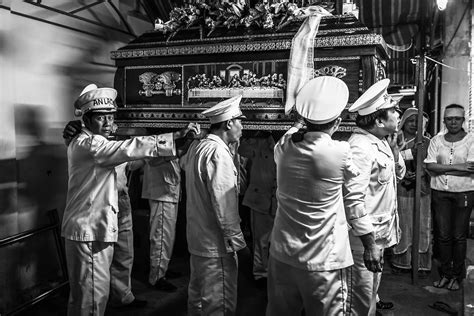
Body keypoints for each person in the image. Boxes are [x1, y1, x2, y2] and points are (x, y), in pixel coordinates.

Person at [62, 83, 199, 316]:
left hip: (101, 220)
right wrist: (173, 137)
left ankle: (123, 295)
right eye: (101, 118)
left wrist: (170, 148)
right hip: (90, 229)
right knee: (92, 299)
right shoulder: (91, 144)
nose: (108, 123)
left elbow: (129, 156)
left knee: (92, 293)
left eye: (111, 117)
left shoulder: (96, 143)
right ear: (86, 120)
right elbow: (131, 147)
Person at [267, 76, 379, 316]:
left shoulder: (285, 146)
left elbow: (291, 134)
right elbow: (354, 178)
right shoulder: (340, 151)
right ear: (337, 122)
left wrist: (299, 126)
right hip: (322, 258)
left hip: (282, 252)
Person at [179, 95, 247, 315]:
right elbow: (224, 204)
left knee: (197, 299)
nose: (242, 127)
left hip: (198, 239)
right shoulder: (218, 153)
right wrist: (237, 243)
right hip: (217, 245)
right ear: (229, 123)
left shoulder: (199, 147)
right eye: (240, 121)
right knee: (219, 304)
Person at [344, 79, 406, 316]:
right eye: (393, 110)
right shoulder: (360, 147)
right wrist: (369, 244)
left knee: (370, 291)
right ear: (379, 120)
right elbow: (353, 200)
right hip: (365, 238)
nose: (398, 113)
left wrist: (396, 150)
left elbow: (398, 175)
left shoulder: (379, 142)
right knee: (359, 297)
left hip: (379, 233)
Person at [424, 103, 474, 291]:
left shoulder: (471, 140)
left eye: (457, 119)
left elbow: (471, 168)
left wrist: (442, 168)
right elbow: (429, 166)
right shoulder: (437, 140)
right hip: (440, 193)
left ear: (463, 120)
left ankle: (457, 276)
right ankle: (446, 274)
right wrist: (459, 167)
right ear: (444, 120)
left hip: (464, 193)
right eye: (449, 119)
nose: (453, 122)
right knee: (443, 235)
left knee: (458, 236)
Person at [391, 108, 432, 277]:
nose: (414, 124)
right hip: (401, 186)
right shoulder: (396, 139)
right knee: (403, 222)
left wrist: (420, 172)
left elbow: (430, 163)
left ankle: (420, 264)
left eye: (418, 121)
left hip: (421, 188)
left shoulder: (427, 141)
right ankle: (401, 262)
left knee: (421, 223)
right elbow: (392, 158)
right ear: (403, 122)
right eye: (411, 121)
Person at [238, 132, 277, 288]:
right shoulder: (259, 140)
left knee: (278, 241)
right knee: (261, 240)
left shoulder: (292, 140)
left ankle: (276, 274)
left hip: (281, 200)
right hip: (260, 197)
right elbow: (241, 150)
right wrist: (253, 134)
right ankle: (261, 274)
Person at [142, 157, 182, 292]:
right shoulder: (156, 139)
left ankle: (162, 268)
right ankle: (157, 276)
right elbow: (153, 159)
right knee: (161, 236)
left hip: (168, 190)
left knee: (167, 236)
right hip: (161, 191)